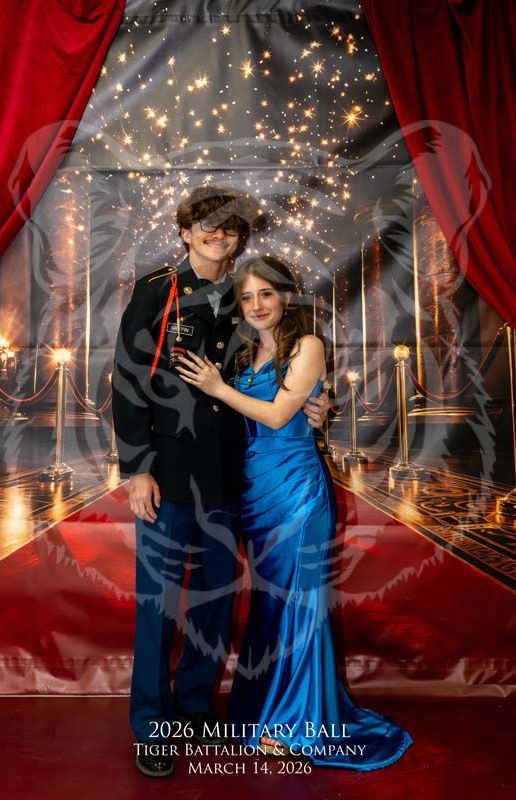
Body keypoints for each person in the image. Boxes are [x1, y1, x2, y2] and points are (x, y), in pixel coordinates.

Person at [111, 187, 329, 778]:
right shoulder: (156, 290)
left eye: (230, 227)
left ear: (239, 239)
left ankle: (194, 706)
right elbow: (127, 381)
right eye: (206, 224)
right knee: (158, 605)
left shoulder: (243, 296)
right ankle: (152, 725)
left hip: (233, 473)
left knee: (214, 600)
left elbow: (277, 366)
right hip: (168, 473)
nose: (218, 233)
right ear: (185, 232)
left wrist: (317, 401)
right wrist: (137, 468)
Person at [176, 255, 413, 770]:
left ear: (285, 295)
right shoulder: (243, 353)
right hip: (253, 494)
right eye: (247, 297)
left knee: (299, 603)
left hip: (297, 494)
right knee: (270, 603)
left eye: (266, 293)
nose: (257, 305)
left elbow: (279, 415)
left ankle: (298, 723)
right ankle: (268, 712)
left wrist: (219, 389)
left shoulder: (307, 345)